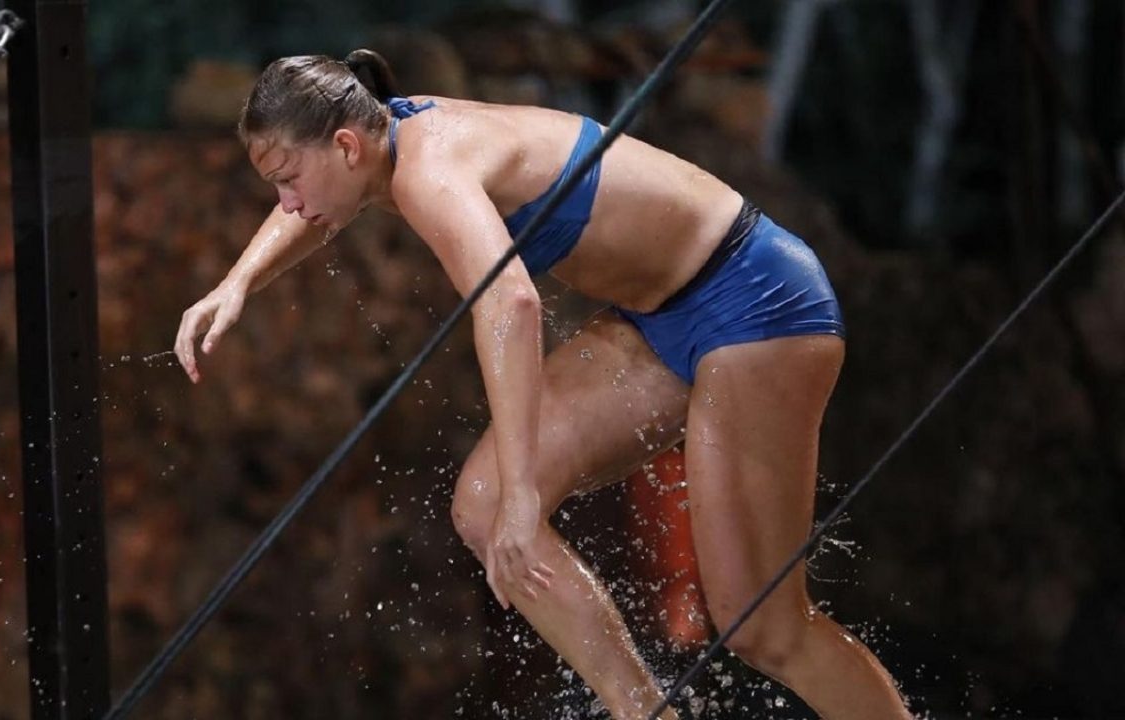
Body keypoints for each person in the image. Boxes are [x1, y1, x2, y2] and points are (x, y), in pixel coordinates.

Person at [173, 49, 912, 720]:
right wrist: (238, 282)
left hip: (756, 303)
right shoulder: (380, 138)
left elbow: (511, 304)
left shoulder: (430, 169)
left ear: (344, 146)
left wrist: (529, 491)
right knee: (485, 504)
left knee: (763, 626)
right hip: (658, 317)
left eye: (287, 180)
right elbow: (313, 204)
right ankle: (643, 711)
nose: (287, 203)